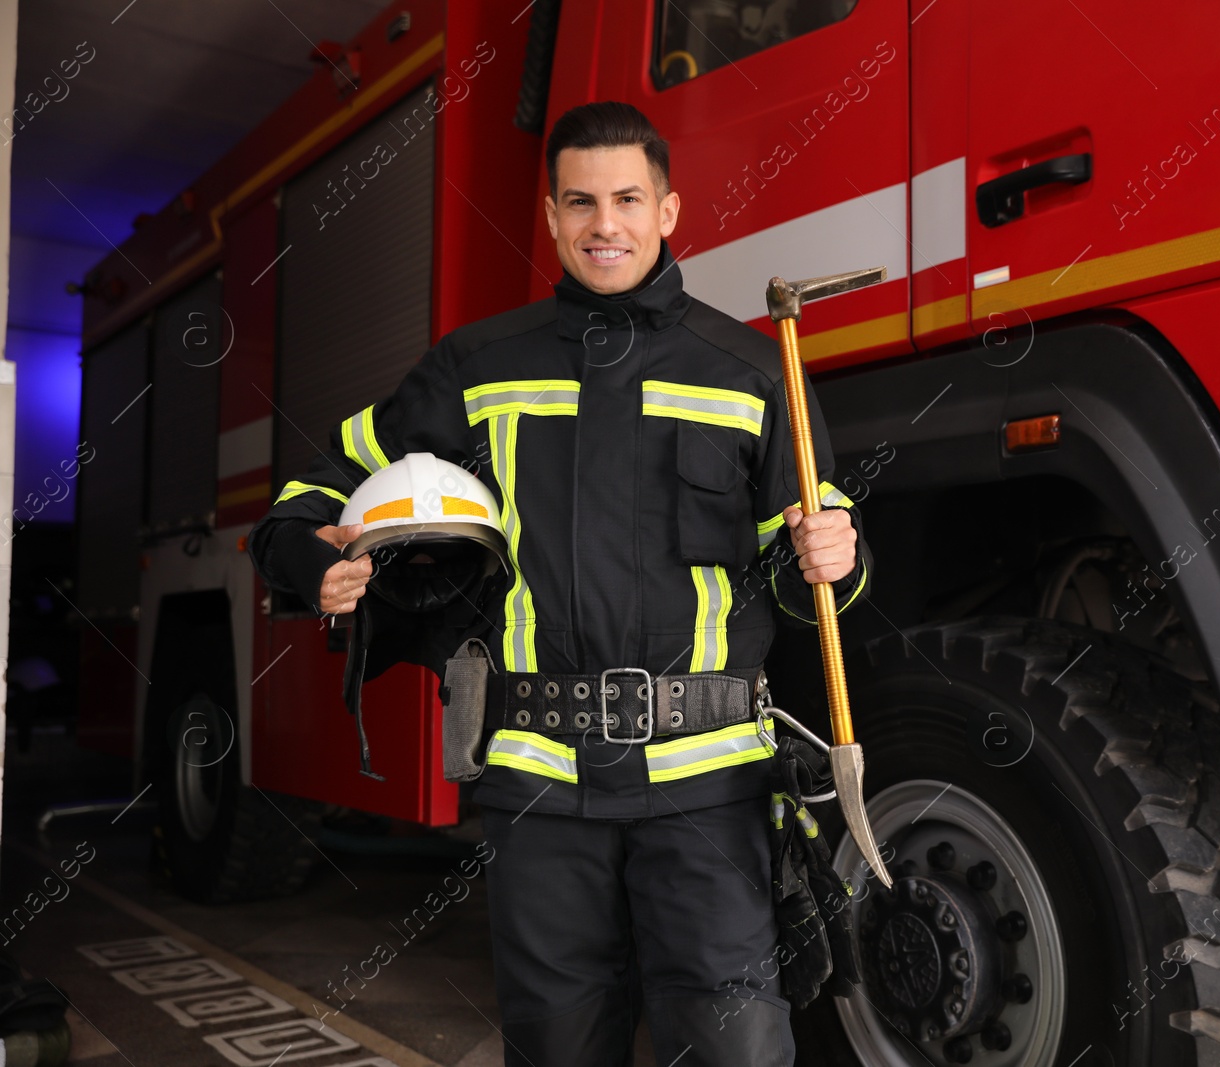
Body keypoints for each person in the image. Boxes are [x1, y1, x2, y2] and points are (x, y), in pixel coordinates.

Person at [247, 101, 872, 1067]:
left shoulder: (751, 372)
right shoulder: (478, 368)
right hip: (542, 791)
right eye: (580, 202)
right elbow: (317, 486)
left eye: (628, 198)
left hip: (708, 793)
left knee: (737, 1053)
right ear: (549, 217)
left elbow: (810, 576)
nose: (604, 223)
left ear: (669, 209)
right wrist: (314, 558)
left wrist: (838, 555)